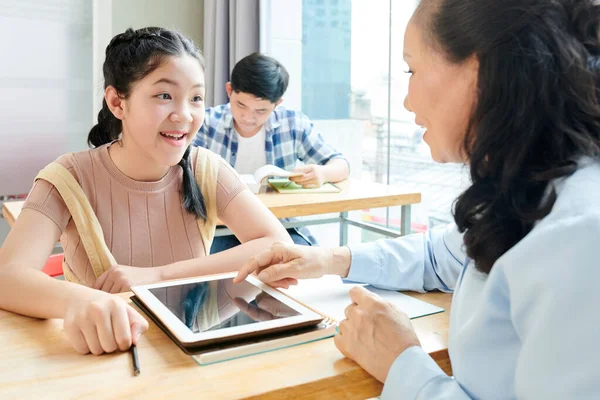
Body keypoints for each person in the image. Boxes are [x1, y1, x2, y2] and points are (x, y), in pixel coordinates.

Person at [235, 0, 600, 398]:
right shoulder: (526, 187)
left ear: (479, 71)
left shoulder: (580, 235)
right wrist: (328, 261)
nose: (407, 100)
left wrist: (402, 363)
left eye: (412, 69)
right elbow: (435, 257)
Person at [0, 27, 292, 357]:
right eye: (164, 95)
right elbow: (8, 277)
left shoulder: (205, 168)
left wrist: (157, 276)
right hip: (100, 361)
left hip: (186, 355)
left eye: (196, 98)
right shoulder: (67, 177)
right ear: (117, 102)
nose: (185, 115)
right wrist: (87, 300)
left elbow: (277, 245)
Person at [192, 53, 350, 253]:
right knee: (205, 265)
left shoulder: (293, 124)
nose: (248, 117)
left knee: (305, 261)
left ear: (277, 103)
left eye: (261, 111)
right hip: (220, 228)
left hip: (280, 225)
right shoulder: (206, 123)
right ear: (229, 90)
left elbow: (341, 163)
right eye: (241, 105)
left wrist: (323, 173)